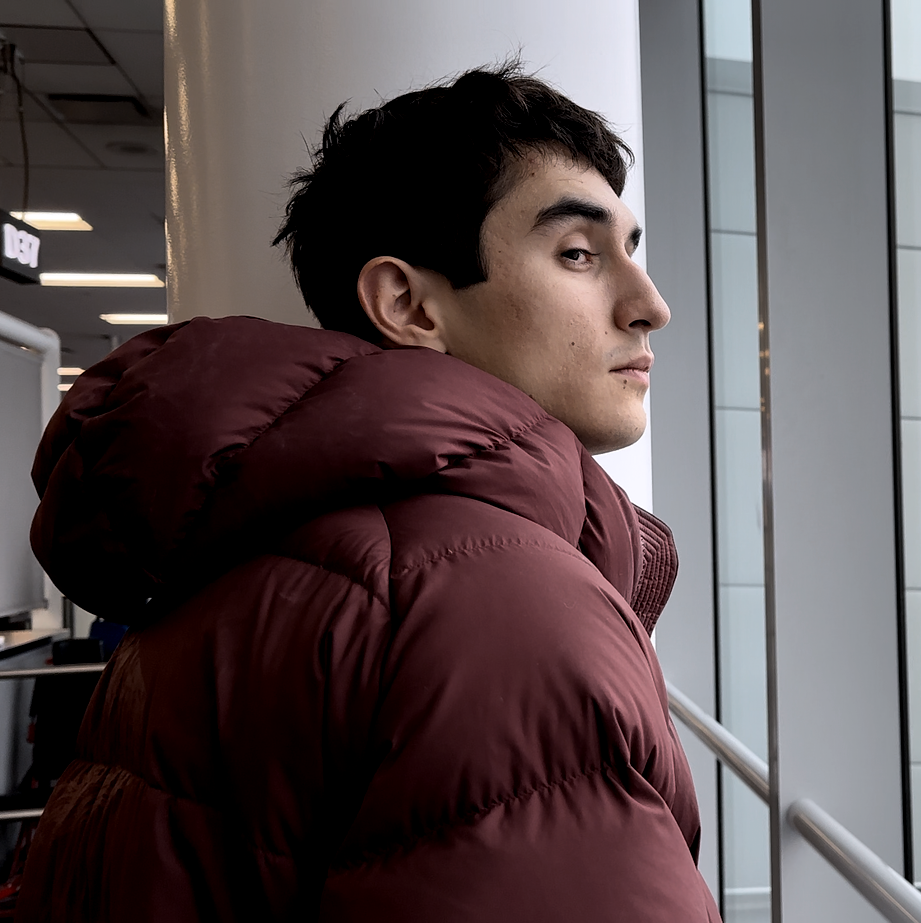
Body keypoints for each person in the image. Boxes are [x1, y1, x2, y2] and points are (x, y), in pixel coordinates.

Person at [19, 61, 718, 921]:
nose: (649, 305)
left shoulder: (253, 554)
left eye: (629, 252)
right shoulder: (494, 601)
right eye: (577, 253)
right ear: (408, 305)